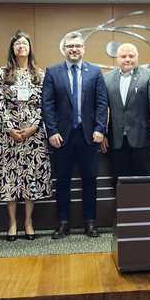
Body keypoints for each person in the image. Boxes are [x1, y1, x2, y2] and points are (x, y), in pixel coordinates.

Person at [42, 31, 108, 238]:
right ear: (64, 49)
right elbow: (47, 104)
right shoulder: (53, 72)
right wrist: (52, 131)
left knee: (90, 180)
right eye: (70, 46)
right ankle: (63, 223)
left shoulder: (95, 72)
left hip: (88, 136)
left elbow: (102, 103)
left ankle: (90, 222)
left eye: (78, 46)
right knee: (62, 181)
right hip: (62, 137)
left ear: (83, 49)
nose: (74, 49)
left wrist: (100, 129)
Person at [0, 31, 51, 241]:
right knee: (10, 178)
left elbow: (44, 103)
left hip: (33, 136)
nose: (21, 46)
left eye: (24, 43)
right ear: (13, 49)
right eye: (17, 44)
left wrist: (33, 126)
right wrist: (9, 128)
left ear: (30, 48)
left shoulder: (39, 74)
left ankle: (28, 222)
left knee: (30, 178)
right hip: (9, 137)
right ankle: (12, 223)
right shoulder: (3, 72)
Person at [101, 43, 150, 179]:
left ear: (137, 57)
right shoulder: (107, 78)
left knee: (142, 183)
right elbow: (102, 108)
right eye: (123, 56)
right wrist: (102, 133)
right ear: (117, 58)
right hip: (116, 140)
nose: (127, 59)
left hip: (142, 139)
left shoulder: (149, 75)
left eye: (131, 56)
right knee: (119, 182)